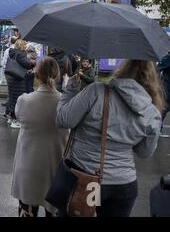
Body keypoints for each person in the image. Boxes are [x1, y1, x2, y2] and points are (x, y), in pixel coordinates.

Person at [56, 59, 163, 217]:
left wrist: (71, 89)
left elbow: (63, 119)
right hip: (124, 185)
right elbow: (144, 152)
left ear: (122, 69)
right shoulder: (152, 111)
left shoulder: (96, 92)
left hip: (86, 179)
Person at [12, 57, 70, 217]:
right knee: (53, 211)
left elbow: (18, 116)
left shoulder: (24, 100)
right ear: (58, 75)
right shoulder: (66, 104)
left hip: (28, 168)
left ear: (36, 75)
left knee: (27, 211)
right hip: (55, 170)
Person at [5, 39, 35, 128]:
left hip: (11, 77)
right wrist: (33, 62)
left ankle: (10, 117)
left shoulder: (12, 52)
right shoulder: (20, 54)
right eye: (24, 44)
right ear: (21, 45)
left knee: (12, 97)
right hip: (18, 79)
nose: (25, 46)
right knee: (18, 99)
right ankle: (15, 120)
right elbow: (26, 64)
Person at [1, 36, 18, 107]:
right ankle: (15, 101)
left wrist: (5, 68)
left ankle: (9, 101)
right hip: (17, 71)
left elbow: (4, 62)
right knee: (16, 86)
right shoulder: (19, 49)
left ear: (10, 41)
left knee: (10, 87)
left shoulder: (8, 50)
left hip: (9, 70)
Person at [157, 52, 170, 137]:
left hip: (166, 89)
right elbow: (157, 69)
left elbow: (157, 69)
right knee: (162, 110)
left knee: (162, 110)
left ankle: (157, 130)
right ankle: (157, 130)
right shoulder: (168, 57)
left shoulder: (168, 57)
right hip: (167, 88)